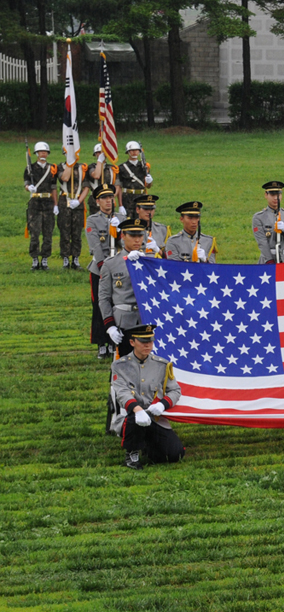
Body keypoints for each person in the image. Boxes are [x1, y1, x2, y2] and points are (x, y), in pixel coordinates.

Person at [111, 324, 185, 470]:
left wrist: (163, 404)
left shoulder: (161, 365)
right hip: (130, 416)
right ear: (132, 342)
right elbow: (122, 392)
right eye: (143, 342)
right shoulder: (119, 366)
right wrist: (138, 410)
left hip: (153, 417)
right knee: (135, 417)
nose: (148, 345)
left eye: (150, 341)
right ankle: (131, 454)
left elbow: (175, 390)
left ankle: (146, 446)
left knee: (174, 454)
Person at [98, 217, 147, 357]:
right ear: (123, 236)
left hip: (145, 318)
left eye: (140, 235)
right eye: (132, 236)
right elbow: (104, 298)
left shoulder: (151, 260)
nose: (137, 240)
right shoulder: (111, 264)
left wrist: (145, 262)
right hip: (124, 321)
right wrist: (110, 326)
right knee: (123, 367)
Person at [86, 185, 120, 358]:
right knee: (100, 305)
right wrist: (104, 268)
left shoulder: (121, 218)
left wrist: (120, 229)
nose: (108, 201)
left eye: (111, 198)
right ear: (97, 201)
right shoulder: (92, 220)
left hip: (119, 269)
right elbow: (96, 247)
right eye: (104, 198)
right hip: (100, 270)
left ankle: (115, 342)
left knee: (117, 305)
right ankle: (101, 343)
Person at [24, 141, 58, 270]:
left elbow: (54, 188)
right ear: (36, 153)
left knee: (48, 233)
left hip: (48, 203)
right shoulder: (30, 168)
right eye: (40, 152)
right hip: (35, 203)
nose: (43, 153)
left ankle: (44, 259)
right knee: (35, 233)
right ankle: (34, 259)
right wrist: (29, 187)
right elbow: (26, 183)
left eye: (45, 152)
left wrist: (56, 204)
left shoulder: (52, 169)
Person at [56, 153, 89, 269]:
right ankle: (65, 258)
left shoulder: (83, 168)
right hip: (64, 201)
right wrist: (69, 165)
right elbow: (64, 178)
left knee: (76, 232)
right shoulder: (60, 167)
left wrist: (79, 201)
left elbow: (86, 187)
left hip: (77, 202)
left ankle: (76, 258)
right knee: (64, 231)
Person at [252, 181, 284, 263]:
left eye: (278, 195)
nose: (276, 198)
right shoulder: (259, 217)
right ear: (266, 195)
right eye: (272, 195)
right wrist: (270, 262)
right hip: (268, 261)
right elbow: (262, 243)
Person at [116, 140, 152, 218]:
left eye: (136, 150)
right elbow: (119, 187)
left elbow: (148, 186)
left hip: (141, 196)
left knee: (142, 220)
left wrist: (150, 181)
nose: (134, 152)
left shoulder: (144, 166)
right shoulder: (122, 167)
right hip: (128, 197)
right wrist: (120, 205)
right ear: (128, 152)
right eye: (132, 150)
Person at [86, 143, 117, 214]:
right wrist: (99, 161)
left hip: (109, 199)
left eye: (103, 152)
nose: (101, 154)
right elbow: (96, 175)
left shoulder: (112, 168)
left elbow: (117, 185)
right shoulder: (91, 167)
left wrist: (112, 197)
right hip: (95, 199)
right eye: (99, 152)